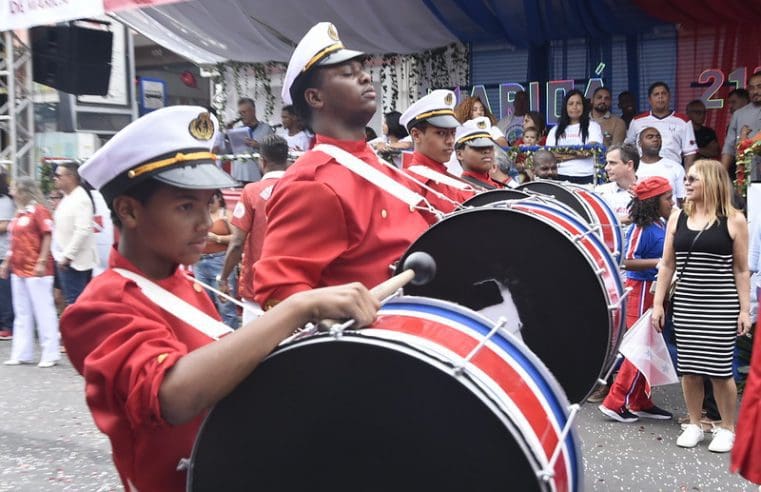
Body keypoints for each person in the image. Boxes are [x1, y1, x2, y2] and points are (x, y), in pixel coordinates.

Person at [59, 105, 379, 491]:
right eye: (185, 207)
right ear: (128, 211)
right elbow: (172, 396)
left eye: (208, 204)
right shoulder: (101, 305)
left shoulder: (184, 283)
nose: (206, 223)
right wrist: (299, 306)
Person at [252, 22, 429, 309]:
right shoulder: (312, 183)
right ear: (315, 97)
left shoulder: (374, 164)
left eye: (362, 70)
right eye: (348, 73)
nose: (364, 78)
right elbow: (278, 292)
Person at [651, 159, 751, 453]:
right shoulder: (677, 217)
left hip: (721, 303)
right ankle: (695, 423)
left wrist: (744, 310)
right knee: (690, 368)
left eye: (694, 179)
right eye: (687, 179)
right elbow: (667, 264)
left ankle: (726, 428)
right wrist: (659, 304)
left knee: (720, 370)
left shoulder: (734, 220)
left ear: (712, 181)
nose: (687, 183)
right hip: (686, 302)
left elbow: (741, 269)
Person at [598, 176, 674, 423]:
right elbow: (627, 260)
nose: (671, 202)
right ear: (653, 201)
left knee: (649, 347)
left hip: (652, 290)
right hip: (640, 290)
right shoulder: (643, 228)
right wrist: (660, 264)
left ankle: (639, 399)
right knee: (640, 347)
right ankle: (615, 401)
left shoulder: (660, 224)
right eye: (667, 197)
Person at [220, 134, 288, 324]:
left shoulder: (251, 192)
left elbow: (237, 243)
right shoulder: (304, 188)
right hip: (295, 288)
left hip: (257, 289)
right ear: (286, 160)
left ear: (262, 161)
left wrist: (224, 278)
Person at [0, 177, 59, 368]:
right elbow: (13, 241)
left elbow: (48, 235)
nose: (12, 192)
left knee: (43, 310)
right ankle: (22, 353)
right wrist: (7, 263)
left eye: (15, 188)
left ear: (24, 190)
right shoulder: (19, 213)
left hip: (37, 269)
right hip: (19, 268)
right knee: (22, 312)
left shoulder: (39, 211)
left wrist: (42, 261)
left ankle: (50, 353)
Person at [400, 89, 475, 214]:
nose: (451, 141)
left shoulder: (448, 177)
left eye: (453, 133)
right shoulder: (412, 183)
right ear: (416, 135)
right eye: (441, 133)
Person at [51, 162, 98, 305]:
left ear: (70, 177)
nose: (55, 178)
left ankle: (81, 327)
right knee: (74, 302)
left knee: (76, 303)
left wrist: (68, 256)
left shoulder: (81, 199)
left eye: (58, 175)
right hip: (65, 259)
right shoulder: (69, 197)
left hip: (74, 262)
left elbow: (82, 231)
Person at [193, 190, 238, 328]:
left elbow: (238, 239)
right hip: (200, 262)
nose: (209, 204)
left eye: (211, 201)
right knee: (205, 303)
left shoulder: (226, 215)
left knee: (226, 306)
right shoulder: (200, 215)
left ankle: (231, 339)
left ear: (218, 199)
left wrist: (217, 238)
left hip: (220, 261)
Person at [626, 82, 697, 169]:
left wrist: (687, 177)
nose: (660, 97)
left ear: (669, 97)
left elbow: (690, 153)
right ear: (649, 99)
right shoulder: (637, 121)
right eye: (656, 94)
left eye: (663, 93)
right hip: (643, 170)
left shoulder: (683, 121)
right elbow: (628, 149)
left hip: (672, 169)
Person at [546, 89, 603, 184]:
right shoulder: (554, 130)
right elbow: (550, 155)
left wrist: (562, 155)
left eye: (578, 103)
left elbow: (589, 151)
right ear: (565, 107)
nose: (575, 107)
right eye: (571, 104)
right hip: (560, 176)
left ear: (583, 106)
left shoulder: (593, 126)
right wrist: (578, 154)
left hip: (586, 176)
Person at [636, 127, 686, 207]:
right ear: (639, 143)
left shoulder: (675, 167)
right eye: (650, 137)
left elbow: (683, 200)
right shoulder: (632, 168)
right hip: (640, 217)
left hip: (670, 217)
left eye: (658, 137)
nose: (655, 139)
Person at [721, 72, 761, 171]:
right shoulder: (739, 114)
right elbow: (729, 146)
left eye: (759, 87)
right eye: (751, 88)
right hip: (748, 175)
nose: (755, 91)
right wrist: (721, 174)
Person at [455, 117, 509, 189]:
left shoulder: (496, 184)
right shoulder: (463, 189)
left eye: (490, 146)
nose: (487, 151)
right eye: (478, 147)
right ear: (460, 154)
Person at [230, 98, 274, 183]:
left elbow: (274, 150)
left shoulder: (266, 129)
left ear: (253, 111)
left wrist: (258, 146)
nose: (241, 116)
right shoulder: (237, 130)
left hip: (256, 176)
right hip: (238, 175)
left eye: (244, 112)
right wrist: (228, 132)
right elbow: (228, 151)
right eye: (240, 113)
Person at [596, 143, 639, 224]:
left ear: (629, 165)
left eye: (612, 163)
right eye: (607, 163)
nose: (606, 168)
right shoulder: (600, 192)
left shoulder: (649, 191)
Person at [0, 170, 14, 340]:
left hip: (3, 253)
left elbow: (4, 225)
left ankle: (8, 325)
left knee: (4, 292)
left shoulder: (4, 202)